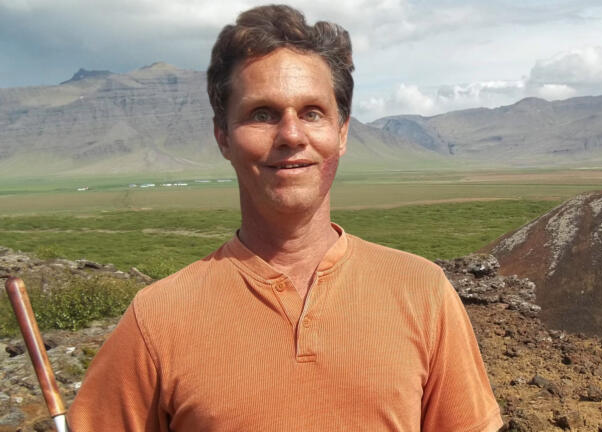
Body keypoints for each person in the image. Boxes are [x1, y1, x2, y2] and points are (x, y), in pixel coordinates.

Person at [67, 5, 502, 431]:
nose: (291, 135)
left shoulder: (422, 292)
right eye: (262, 114)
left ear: (342, 132)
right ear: (223, 137)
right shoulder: (158, 317)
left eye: (312, 113)